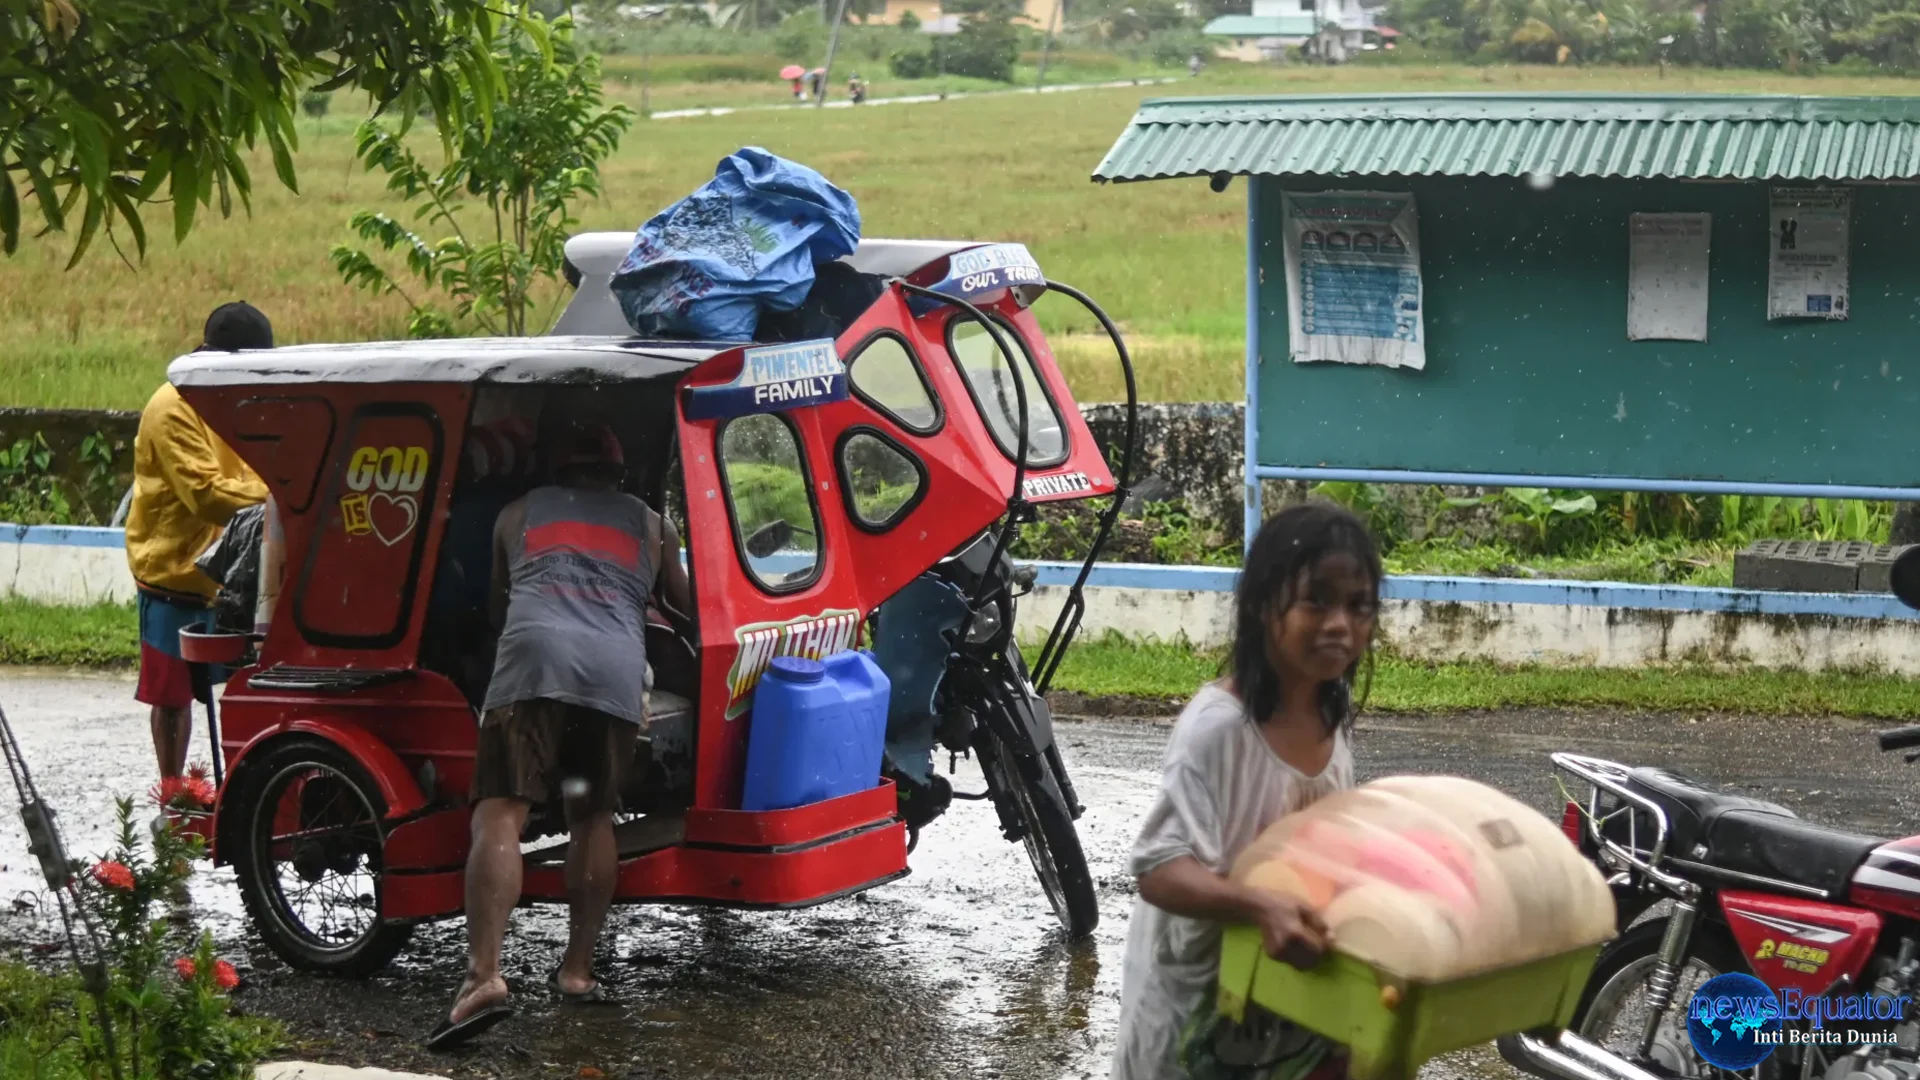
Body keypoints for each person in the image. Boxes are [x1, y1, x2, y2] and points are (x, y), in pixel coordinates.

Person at [431, 422, 692, 1051]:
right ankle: (576, 971)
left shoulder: (517, 514)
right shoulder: (655, 526)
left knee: (500, 818)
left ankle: (484, 976)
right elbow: (684, 609)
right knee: (591, 816)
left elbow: (497, 608)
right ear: (618, 471)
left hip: (531, 668)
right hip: (612, 679)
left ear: (554, 469)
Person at [1110, 502, 1381, 1080]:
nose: (1341, 624)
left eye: (1359, 606)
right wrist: (1259, 903)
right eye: (1317, 600)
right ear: (1262, 607)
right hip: (1196, 1009)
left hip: (1285, 1005)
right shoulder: (1219, 728)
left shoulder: (1330, 721)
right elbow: (1158, 868)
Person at [124, 302, 272, 781]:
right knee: (172, 700)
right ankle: (171, 795)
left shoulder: (238, 400)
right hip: (175, 573)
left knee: (245, 688)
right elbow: (206, 495)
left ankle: (242, 786)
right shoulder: (172, 408)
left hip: (235, 572)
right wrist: (287, 499)